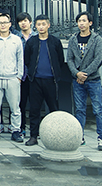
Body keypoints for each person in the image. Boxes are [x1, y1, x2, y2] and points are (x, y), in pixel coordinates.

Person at [67, 11, 102, 150]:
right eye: (79, 21)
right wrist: (77, 73)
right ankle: (80, 136)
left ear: (90, 23)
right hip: (77, 80)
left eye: (84, 21)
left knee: (98, 109)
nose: (81, 23)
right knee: (79, 109)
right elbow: (70, 59)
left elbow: (98, 59)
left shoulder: (97, 39)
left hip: (93, 80)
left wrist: (85, 74)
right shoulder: (73, 39)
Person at [24, 14, 65, 146]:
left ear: (48, 25)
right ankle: (33, 136)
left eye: (43, 24)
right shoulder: (31, 42)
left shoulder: (55, 42)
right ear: (35, 26)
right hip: (35, 80)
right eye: (38, 24)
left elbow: (60, 60)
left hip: (51, 80)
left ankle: (55, 135)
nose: (41, 27)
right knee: (34, 109)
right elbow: (27, 59)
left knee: (53, 109)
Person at [0, 13, 24, 143]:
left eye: (5, 22)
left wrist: (19, 76)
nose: (3, 25)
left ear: (10, 24)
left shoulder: (16, 40)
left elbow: (20, 59)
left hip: (12, 77)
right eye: (0, 23)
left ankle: (15, 130)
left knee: (15, 107)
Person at [16, 12, 34, 136]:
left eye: (25, 20)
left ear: (30, 22)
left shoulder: (36, 36)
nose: (23, 23)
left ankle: (34, 129)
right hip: (21, 76)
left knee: (34, 103)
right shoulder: (16, 38)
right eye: (21, 21)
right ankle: (21, 127)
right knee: (20, 103)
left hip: (33, 75)